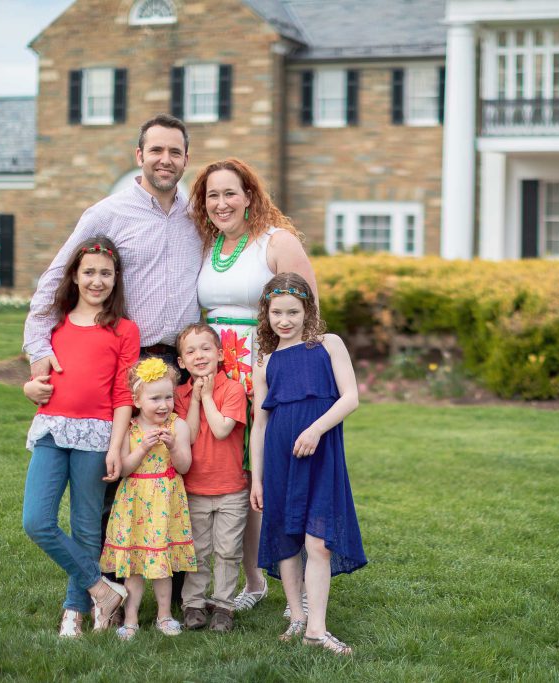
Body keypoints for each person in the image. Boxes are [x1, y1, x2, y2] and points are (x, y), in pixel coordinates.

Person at [23, 113, 201, 601]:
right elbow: (55, 281)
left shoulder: (196, 215)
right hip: (124, 360)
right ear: (139, 156)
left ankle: (175, 593)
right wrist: (39, 356)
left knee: (175, 468)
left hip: (178, 363)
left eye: (176, 151)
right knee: (115, 473)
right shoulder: (108, 213)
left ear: (186, 159)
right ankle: (109, 587)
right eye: (156, 150)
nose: (166, 159)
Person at [188, 157, 318, 613]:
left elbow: (310, 310)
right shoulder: (206, 246)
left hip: (267, 368)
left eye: (230, 193)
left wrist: (301, 379)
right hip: (218, 376)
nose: (221, 203)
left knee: (277, 480)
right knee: (233, 481)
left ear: (249, 196)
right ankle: (255, 582)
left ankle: (299, 587)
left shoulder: (275, 241)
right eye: (212, 195)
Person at [21, 236, 137, 638]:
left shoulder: (124, 330)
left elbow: (124, 394)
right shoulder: (54, 323)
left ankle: (75, 612)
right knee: (37, 521)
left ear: (116, 278)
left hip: (97, 433)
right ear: (75, 274)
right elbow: (38, 378)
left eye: (105, 273)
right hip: (52, 427)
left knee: (87, 526)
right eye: (89, 272)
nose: (96, 280)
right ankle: (102, 589)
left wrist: (116, 445)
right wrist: (27, 389)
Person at [249, 273, 367, 656]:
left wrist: (316, 430)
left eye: (293, 312)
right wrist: (257, 479)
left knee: (319, 543)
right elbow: (259, 424)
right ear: (265, 314)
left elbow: (350, 398)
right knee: (286, 538)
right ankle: (298, 618)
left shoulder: (327, 345)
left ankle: (317, 629)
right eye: (276, 312)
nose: (284, 320)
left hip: (320, 452)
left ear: (308, 311)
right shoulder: (266, 360)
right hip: (280, 456)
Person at [100, 357, 195, 639]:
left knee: (161, 565)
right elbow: (124, 470)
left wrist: (174, 446)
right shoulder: (129, 429)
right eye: (155, 398)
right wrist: (141, 448)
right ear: (137, 400)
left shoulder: (178, 426)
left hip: (166, 504)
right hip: (135, 504)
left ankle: (164, 616)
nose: (164, 405)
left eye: (169, 397)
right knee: (134, 565)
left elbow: (185, 466)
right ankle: (130, 619)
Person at [173, 324, 249, 633]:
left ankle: (223, 605)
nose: (198, 355)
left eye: (205, 348)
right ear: (181, 362)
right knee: (198, 551)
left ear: (219, 354)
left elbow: (220, 430)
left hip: (231, 487)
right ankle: (193, 603)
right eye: (190, 351)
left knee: (228, 551)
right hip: (195, 487)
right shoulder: (179, 395)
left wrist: (205, 398)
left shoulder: (233, 389)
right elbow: (188, 437)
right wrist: (193, 399)